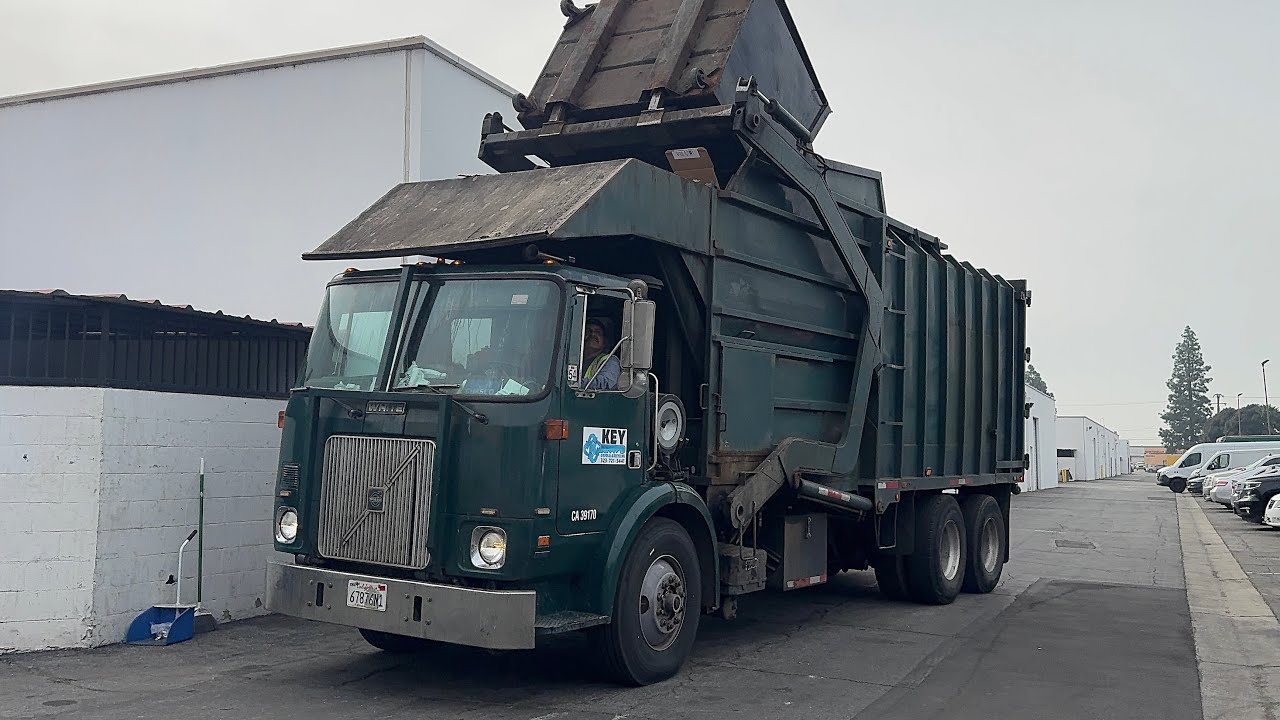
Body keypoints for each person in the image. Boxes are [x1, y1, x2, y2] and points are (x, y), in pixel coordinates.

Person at [582, 317, 621, 391]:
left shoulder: (610, 361)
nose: (593, 334)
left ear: (604, 342)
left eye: (598, 332)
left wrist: (577, 384)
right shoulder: (571, 360)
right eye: (588, 331)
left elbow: (606, 384)